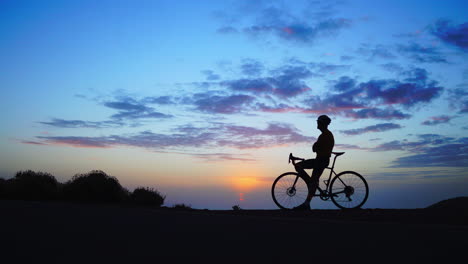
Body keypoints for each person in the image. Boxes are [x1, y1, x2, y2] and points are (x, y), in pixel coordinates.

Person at [293, 115, 334, 210]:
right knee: (313, 180)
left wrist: (315, 145)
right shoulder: (325, 135)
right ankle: (310, 189)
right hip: (321, 160)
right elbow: (315, 148)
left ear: (322, 124)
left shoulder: (325, 135)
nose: (317, 124)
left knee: (299, 166)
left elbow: (314, 148)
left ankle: (310, 187)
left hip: (321, 161)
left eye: (318, 122)